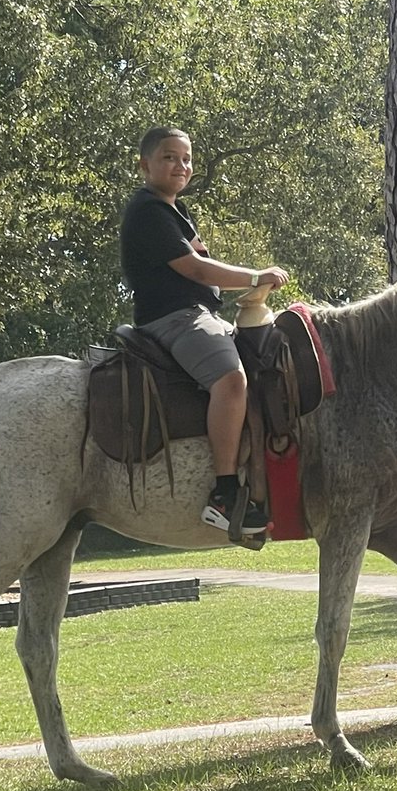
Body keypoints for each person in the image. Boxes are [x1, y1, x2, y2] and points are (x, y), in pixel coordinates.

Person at [119, 126, 289, 535]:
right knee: (231, 381)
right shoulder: (148, 211)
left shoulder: (174, 211)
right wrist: (255, 277)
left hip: (197, 314)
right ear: (145, 165)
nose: (181, 166)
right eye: (169, 157)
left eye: (187, 158)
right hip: (175, 318)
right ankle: (224, 495)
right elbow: (195, 269)